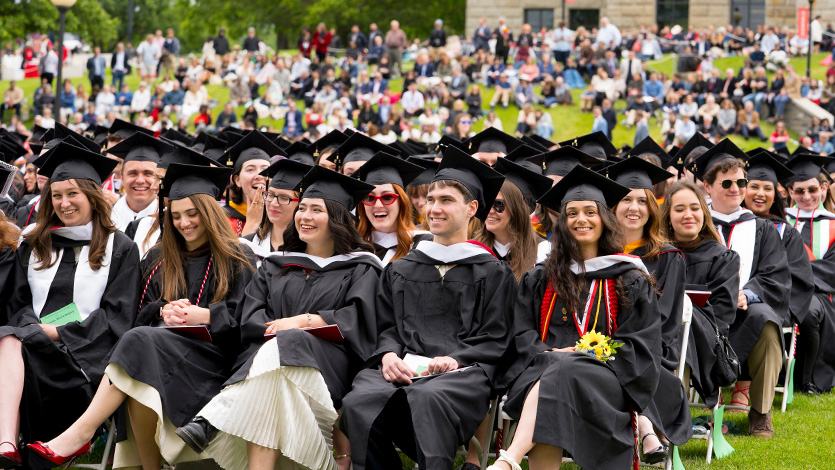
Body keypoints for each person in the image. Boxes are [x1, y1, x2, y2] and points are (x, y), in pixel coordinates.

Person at [30, 162, 255, 469]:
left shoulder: (238, 257)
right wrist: (163, 310)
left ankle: (84, 431)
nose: (183, 223)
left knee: (138, 348)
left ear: (211, 214)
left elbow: (248, 321)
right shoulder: (159, 257)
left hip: (214, 361)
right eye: (175, 215)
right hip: (160, 353)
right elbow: (140, 312)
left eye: (192, 214)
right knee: (140, 352)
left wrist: (203, 315)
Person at [175, 166, 382, 470]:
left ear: (338, 218)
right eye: (303, 209)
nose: (305, 216)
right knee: (270, 384)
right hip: (269, 366)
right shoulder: (275, 264)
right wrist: (281, 331)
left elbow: (358, 319)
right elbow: (251, 314)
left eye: (317, 210)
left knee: (289, 339)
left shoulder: (363, 268)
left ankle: (213, 418)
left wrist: (303, 321)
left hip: (328, 368)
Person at [339, 146, 516, 470]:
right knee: (359, 401)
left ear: (472, 208)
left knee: (428, 397)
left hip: (463, 373)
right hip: (405, 367)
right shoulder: (402, 269)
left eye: (446, 201)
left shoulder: (492, 272)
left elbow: (496, 336)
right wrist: (389, 355)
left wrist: (456, 359)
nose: (434, 208)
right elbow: (387, 327)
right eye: (431, 199)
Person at [495, 165, 659, 470]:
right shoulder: (542, 279)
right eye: (571, 213)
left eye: (589, 212)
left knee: (558, 373)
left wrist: (589, 353)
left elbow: (639, 343)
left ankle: (509, 459)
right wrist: (547, 352)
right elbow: (521, 332)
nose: (580, 219)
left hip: (607, 377)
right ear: (563, 222)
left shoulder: (629, 278)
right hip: (542, 369)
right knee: (554, 372)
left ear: (604, 219)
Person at [0, 142, 140, 466]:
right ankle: (7, 443)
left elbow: (118, 317)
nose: (64, 203)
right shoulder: (35, 243)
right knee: (9, 338)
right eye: (57, 195)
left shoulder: (120, 247)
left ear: (92, 195)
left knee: (9, 341)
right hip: (27, 350)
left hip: (81, 364)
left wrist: (56, 332)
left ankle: (9, 440)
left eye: (73, 194)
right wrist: (34, 331)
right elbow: (18, 303)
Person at [688, 139, 790, 437]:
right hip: (699, 307)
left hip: (744, 308)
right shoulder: (693, 221)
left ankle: (760, 412)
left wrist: (746, 293)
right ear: (707, 186)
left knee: (768, 324)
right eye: (727, 183)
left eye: (741, 182)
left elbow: (775, 274)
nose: (736, 188)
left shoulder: (761, 228)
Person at [605, 155, 693, 461]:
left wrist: (623, 344)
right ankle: (646, 430)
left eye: (642, 201)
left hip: (648, 350)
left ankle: (642, 429)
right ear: (612, 206)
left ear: (651, 208)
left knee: (617, 362)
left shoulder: (668, 257)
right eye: (626, 200)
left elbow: (666, 320)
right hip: (596, 345)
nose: (634, 208)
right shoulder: (598, 253)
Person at [658, 180, 740, 409]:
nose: (688, 215)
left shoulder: (723, 257)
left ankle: (672, 412)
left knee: (680, 328)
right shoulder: (658, 254)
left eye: (694, 208)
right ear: (668, 216)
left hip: (702, 338)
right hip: (660, 332)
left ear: (703, 213)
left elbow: (722, 313)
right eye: (679, 209)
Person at [782, 154, 835, 394]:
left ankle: (808, 378)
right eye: (799, 191)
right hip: (781, 287)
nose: (806, 196)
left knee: (810, 311)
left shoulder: (834, 224)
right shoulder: (780, 222)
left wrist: (795, 269)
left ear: (824, 188)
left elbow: (832, 269)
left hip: (821, 292)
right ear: (790, 192)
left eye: (812, 189)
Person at [475, 157, 551, 280]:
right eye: (488, 202)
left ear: (518, 210)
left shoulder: (542, 252)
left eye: (499, 204)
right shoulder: (473, 249)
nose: (490, 211)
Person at [355, 153, 432, 263]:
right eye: (370, 198)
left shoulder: (423, 245)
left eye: (387, 197)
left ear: (401, 202)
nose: (378, 205)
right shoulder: (353, 248)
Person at [239, 158, 308, 260]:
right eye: (270, 195)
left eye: (284, 198)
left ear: (301, 204)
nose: (274, 203)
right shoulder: (250, 243)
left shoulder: (308, 250)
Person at [221, 131, 284, 237]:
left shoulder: (282, 218)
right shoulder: (222, 221)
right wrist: (251, 224)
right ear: (237, 180)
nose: (259, 175)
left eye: (265, 169)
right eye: (250, 169)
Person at [106, 133, 174, 231]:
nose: (140, 181)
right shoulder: (104, 217)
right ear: (122, 178)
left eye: (148, 173)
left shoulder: (171, 220)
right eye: (133, 173)